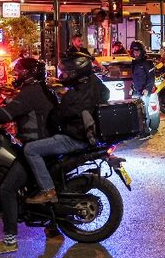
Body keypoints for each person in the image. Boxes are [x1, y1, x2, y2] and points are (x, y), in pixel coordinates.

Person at [0, 57, 57, 255]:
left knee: (7, 188)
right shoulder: (39, 90)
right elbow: (16, 109)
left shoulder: (31, 92)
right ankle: (53, 226)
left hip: (36, 147)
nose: (16, 75)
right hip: (44, 144)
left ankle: (10, 240)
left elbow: (8, 114)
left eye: (19, 72)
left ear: (28, 74)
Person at [23, 54, 107, 207]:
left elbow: (58, 117)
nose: (63, 76)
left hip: (75, 138)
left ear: (76, 73)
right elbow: (102, 96)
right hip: (90, 136)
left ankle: (48, 191)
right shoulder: (95, 82)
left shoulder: (73, 95)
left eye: (66, 73)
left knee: (30, 149)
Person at [129, 41, 155, 137]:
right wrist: (132, 87)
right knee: (136, 112)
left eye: (137, 51)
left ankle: (146, 131)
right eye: (134, 51)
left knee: (144, 112)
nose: (136, 53)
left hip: (144, 92)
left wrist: (147, 89)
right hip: (136, 91)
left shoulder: (147, 62)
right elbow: (134, 77)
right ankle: (139, 131)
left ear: (141, 51)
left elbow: (151, 77)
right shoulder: (134, 62)